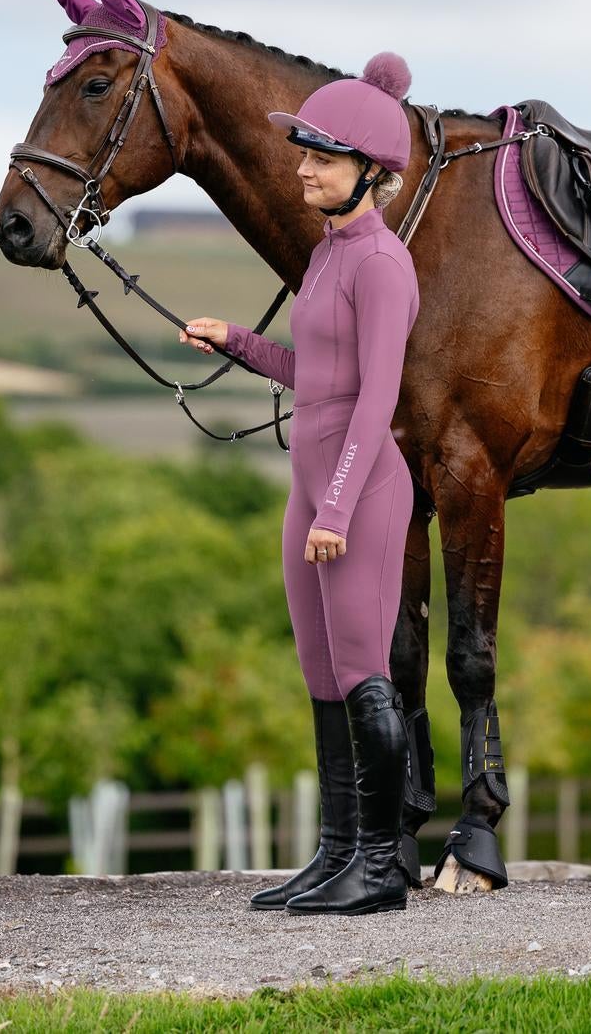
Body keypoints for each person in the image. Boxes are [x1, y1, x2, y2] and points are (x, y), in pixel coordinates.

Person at [180, 52, 422, 916]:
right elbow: (315, 374)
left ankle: (382, 867)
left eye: (321, 157)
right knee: (321, 674)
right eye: (305, 154)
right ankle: (336, 852)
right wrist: (238, 341)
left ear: (368, 169)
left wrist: (339, 506)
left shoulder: (381, 263)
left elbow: (377, 400)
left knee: (362, 671)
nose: (304, 169)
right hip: (312, 493)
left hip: (358, 494)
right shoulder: (326, 254)